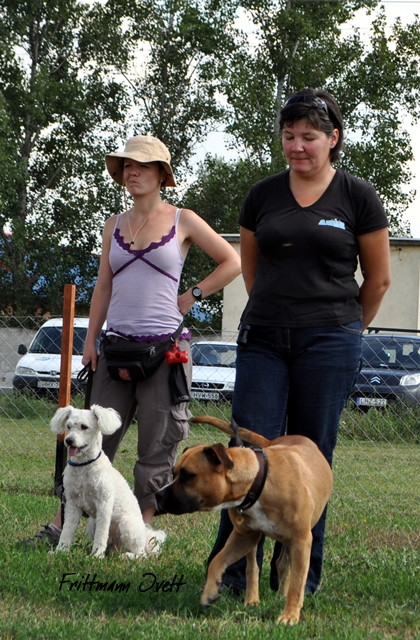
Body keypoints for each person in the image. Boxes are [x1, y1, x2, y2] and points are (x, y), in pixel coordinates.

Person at [207, 88, 391, 595]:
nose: (297, 146)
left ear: (333, 139)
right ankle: (233, 575)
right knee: (244, 450)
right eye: (289, 136)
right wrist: (275, 310)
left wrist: (347, 328)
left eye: (309, 137)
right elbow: (251, 268)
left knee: (313, 457)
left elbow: (376, 281)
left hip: (330, 343)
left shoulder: (358, 196)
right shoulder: (262, 195)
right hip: (264, 338)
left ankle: (299, 579)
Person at [23, 134, 241, 547]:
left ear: (162, 173)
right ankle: (58, 527)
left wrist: (192, 296)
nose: (132, 171)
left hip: (166, 350)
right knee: (88, 435)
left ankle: (136, 532)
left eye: (141, 165)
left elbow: (233, 262)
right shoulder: (113, 224)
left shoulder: (184, 220)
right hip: (116, 347)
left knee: (158, 442)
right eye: (126, 166)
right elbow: (103, 285)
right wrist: (91, 341)